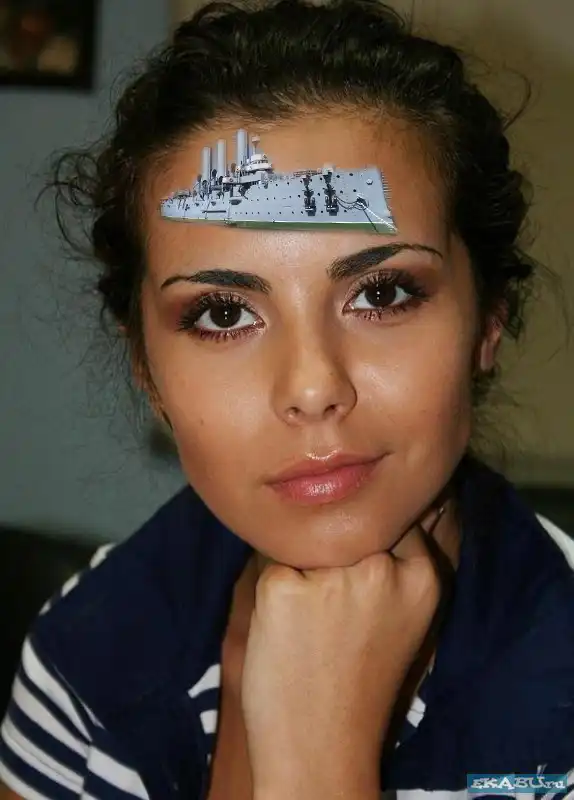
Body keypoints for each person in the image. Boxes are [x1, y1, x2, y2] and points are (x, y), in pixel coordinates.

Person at [1, 0, 573, 798]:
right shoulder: (88, 647)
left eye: (381, 293)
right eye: (223, 314)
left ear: (487, 324)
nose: (312, 387)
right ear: (147, 370)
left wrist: (318, 761)